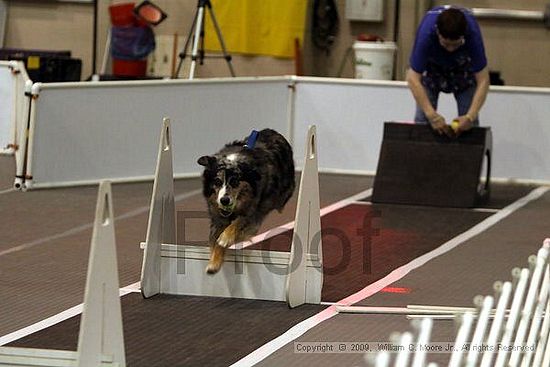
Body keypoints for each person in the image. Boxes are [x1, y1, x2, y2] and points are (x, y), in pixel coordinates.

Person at [406, 5, 489, 137]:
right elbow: (413, 78)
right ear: (438, 33)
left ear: (463, 35)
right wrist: (432, 115)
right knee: (423, 121)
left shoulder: (472, 33)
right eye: (445, 44)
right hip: (432, 68)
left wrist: (470, 117)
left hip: (463, 68)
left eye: (456, 44)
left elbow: (483, 79)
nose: (450, 49)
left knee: (469, 126)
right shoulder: (426, 34)